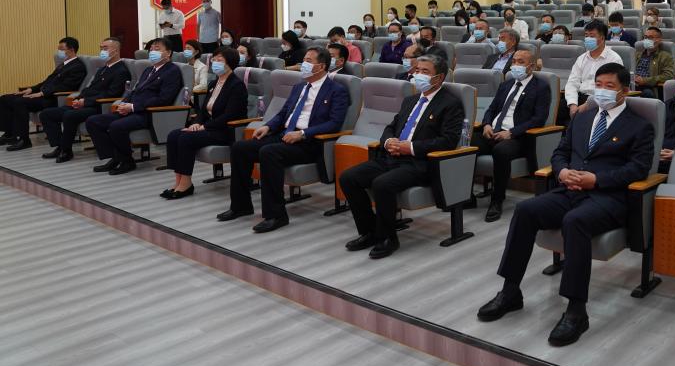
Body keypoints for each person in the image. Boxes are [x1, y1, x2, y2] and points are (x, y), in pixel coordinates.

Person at [477, 63, 654, 346]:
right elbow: (560, 152)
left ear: (624, 91)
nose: (602, 91)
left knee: (575, 221)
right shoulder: (582, 118)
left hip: (607, 196)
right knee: (525, 210)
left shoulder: (639, 125)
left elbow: (638, 169)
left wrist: (596, 180)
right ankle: (510, 292)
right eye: (599, 85)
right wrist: (561, 172)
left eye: (610, 86)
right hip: (569, 189)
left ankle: (576, 310)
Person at [340, 54, 464, 258]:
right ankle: (369, 232)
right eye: (417, 70)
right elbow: (391, 126)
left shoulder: (450, 103)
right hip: (392, 156)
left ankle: (388, 238)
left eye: (425, 72)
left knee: (382, 184)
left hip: (420, 162)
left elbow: (448, 141)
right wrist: (389, 141)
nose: (418, 75)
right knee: (348, 177)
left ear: (439, 77)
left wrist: (411, 148)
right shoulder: (410, 100)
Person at [218, 47, 348, 233]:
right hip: (284, 135)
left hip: (309, 142)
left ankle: (276, 215)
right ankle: (241, 206)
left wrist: (302, 133)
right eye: (304, 60)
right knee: (240, 148)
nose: (303, 64)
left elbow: (334, 124)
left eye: (308, 61)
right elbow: (283, 114)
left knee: (269, 152)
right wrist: (268, 126)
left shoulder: (336, 90)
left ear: (321, 66)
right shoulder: (299, 87)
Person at [86, 37, 183, 175]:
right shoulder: (148, 70)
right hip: (132, 109)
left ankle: (127, 161)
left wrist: (133, 107)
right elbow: (135, 91)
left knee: (116, 126)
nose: (152, 52)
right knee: (93, 121)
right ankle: (115, 157)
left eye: (157, 49)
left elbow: (164, 99)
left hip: (148, 113)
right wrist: (124, 103)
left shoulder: (172, 71)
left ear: (168, 53)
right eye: (151, 49)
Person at [473, 49, 550, 222]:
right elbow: (492, 108)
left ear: (531, 66)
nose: (515, 65)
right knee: (466, 144)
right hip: (493, 131)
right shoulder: (506, 84)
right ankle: (465, 196)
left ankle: (497, 200)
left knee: (500, 151)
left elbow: (539, 119)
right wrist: (486, 124)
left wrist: (511, 132)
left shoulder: (541, 87)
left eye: (520, 62)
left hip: (518, 137)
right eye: (514, 61)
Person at [160, 47, 247, 199]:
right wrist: (197, 122)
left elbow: (230, 115)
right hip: (209, 127)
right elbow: (203, 110)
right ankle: (178, 181)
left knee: (186, 138)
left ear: (230, 63)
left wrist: (204, 126)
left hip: (225, 130)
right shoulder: (214, 83)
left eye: (220, 60)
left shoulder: (236, 85)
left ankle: (186, 183)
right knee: (173, 135)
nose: (215, 62)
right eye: (214, 59)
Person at [39, 37, 131, 163]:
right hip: (86, 103)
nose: (102, 51)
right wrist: (79, 99)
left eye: (105, 48)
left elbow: (111, 94)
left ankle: (66, 150)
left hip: (99, 106)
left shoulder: (121, 70)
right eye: (101, 48)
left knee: (69, 115)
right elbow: (90, 88)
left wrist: (85, 102)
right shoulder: (102, 69)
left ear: (115, 50)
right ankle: (60, 146)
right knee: (47, 114)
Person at [0, 37, 87, 151]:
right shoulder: (63, 65)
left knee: (20, 102)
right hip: (43, 94)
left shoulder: (78, 67)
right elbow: (47, 81)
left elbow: (65, 87)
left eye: (61, 49)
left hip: (53, 98)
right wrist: (31, 89)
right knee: (5, 99)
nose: (59, 52)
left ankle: (24, 140)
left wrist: (42, 93)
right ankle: (9, 134)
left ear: (71, 49)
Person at [563, 21, 623, 120]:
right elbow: (572, 83)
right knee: (557, 109)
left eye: (592, 36)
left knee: (582, 118)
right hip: (580, 97)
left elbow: (610, 88)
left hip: (600, 101)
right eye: (586, 36)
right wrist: (572, 104)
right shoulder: (581, 58)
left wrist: (588, 104)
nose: (588, 39)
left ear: (602, 38)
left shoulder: (614, 59)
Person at [633, 27, 674, 98]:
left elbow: (668, 75)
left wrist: (645, 80)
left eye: (651, 37)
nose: (647, 40)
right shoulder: (636, 54)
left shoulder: (665, 56)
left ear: (659, 40)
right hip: (632, 84)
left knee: (647, 93)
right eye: (645, 37)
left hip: (649, 87)